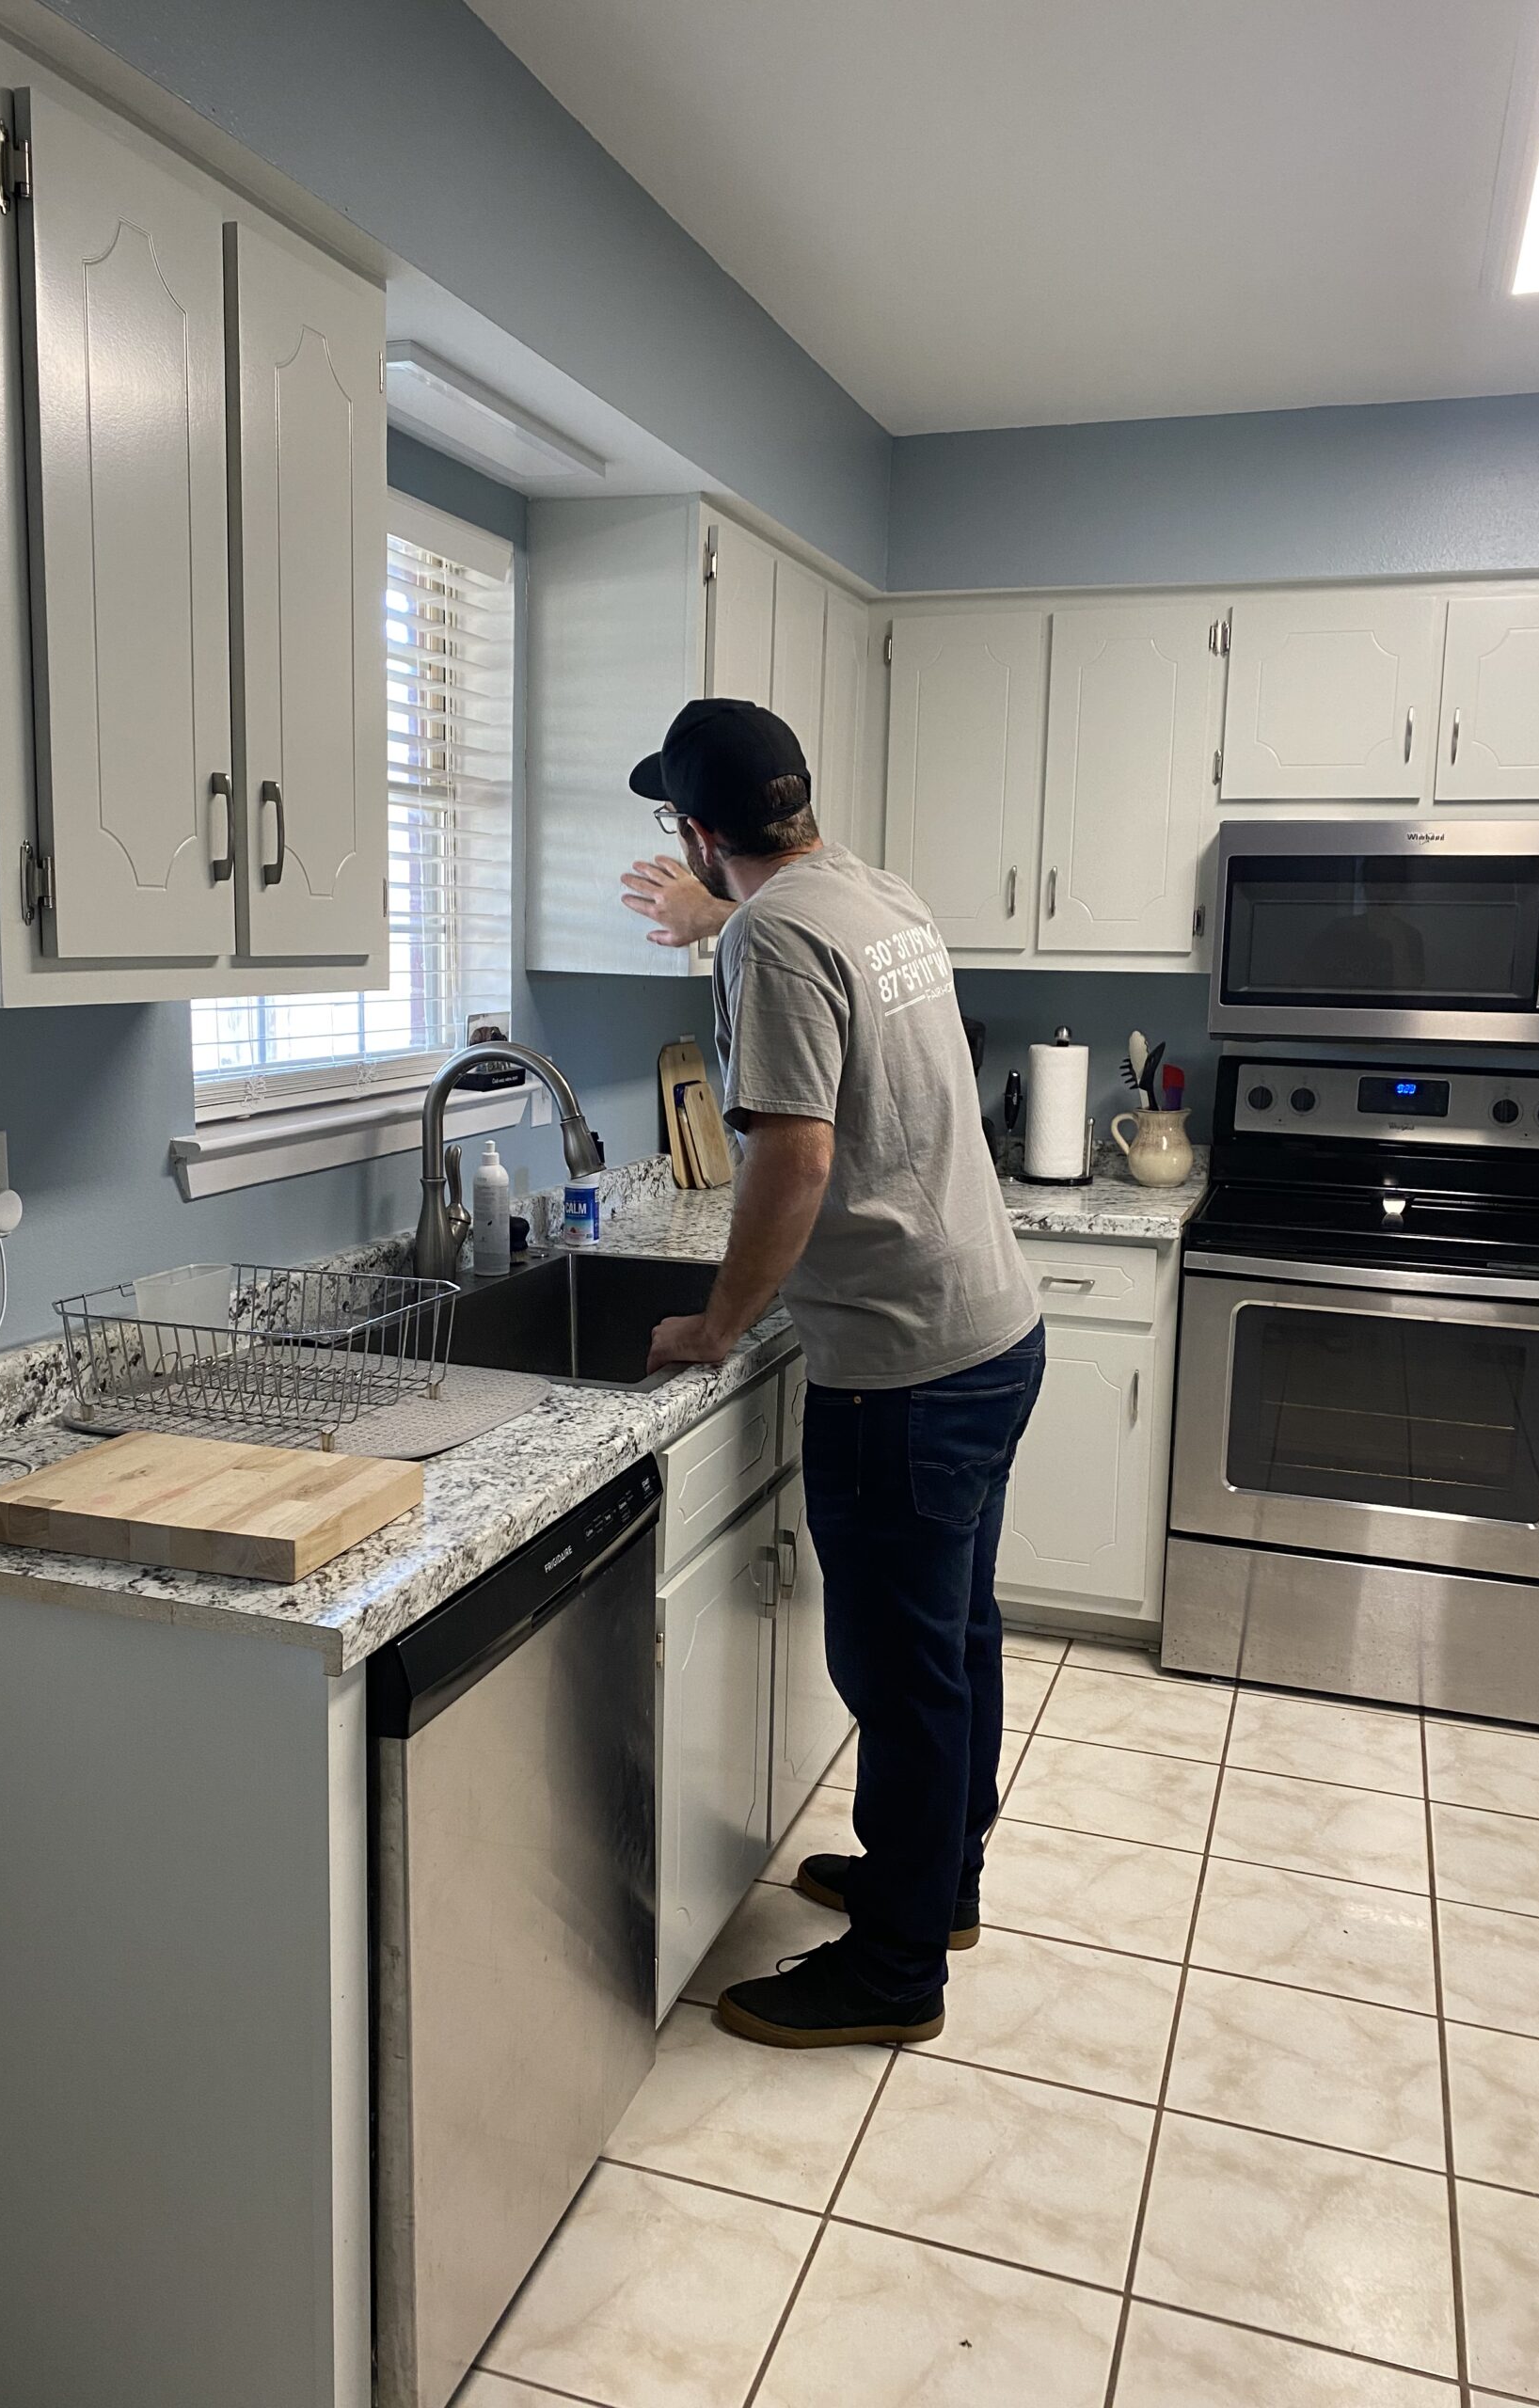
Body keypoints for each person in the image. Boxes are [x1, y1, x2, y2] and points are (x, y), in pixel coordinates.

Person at [629, 697, 1045, 2049]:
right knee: (956, 1642)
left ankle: (893, 1971)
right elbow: (803, 951)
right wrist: (720, 921)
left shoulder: (773, 933)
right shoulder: (870, 891)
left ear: (698, 833)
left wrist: (717, 1323)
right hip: (993, 1333)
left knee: (899, 1672)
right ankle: (944, 1883)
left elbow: (791, 1156)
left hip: (903, 1370)